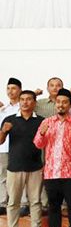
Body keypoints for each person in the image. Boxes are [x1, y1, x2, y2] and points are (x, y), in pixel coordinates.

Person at [33, 89, 71, 227]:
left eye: (64, 102)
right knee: (54, 205)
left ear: (70, 105)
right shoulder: (47, 122)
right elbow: (38, 144)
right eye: (58, 102)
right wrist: (42, 134)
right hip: (51, 171)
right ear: (55, 104)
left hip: (70, 172)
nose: (61, 105)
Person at [0, 90, 45, 227]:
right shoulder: (9, 120)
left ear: (35, 102)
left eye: (29, 99)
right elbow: (0, 141)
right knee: (13, 201)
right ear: (19, 101)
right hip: (15, 167)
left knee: (35, 201)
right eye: (23, 99)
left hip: (35, 167)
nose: (25, 102)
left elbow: (46, 143)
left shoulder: (41, 121)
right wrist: (4, 131)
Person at [0, 78, 22, 216]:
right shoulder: (3, 109)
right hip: (3, 148)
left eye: (14, 88)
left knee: (20, 178)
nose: (10, 91)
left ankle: (22, 204)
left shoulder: (23, 107)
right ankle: (2, 203)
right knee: (2, 177)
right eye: (8, 88)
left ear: (20, 90)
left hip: (18, 148)